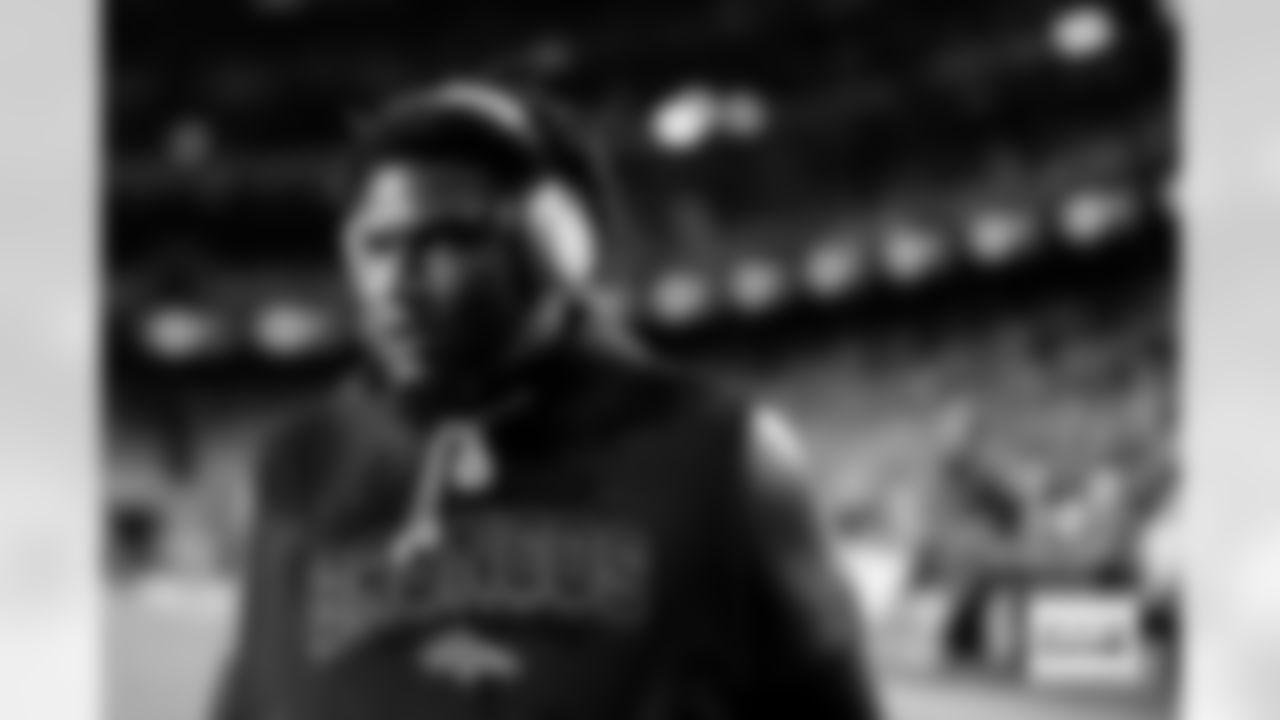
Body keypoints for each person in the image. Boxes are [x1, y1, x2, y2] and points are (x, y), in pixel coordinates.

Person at [210, 80, 883, 720]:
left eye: (447, 239)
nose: (397, 282)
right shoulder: (302, 466)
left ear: (562, 246)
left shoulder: (722, 458)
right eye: (376, 245)